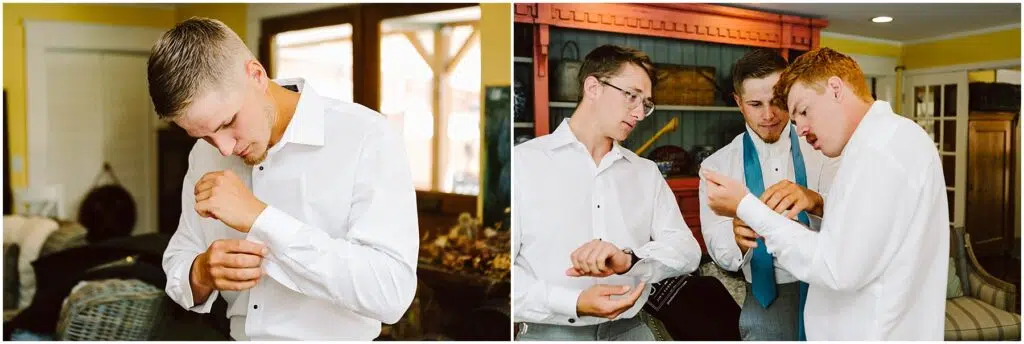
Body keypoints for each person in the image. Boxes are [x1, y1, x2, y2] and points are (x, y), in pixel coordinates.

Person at [150, 18, 419, 340]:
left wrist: (261, 218)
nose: (223, 148)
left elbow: (391, 294)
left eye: (228, 123)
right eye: (204, 135)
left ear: (256, 75)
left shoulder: (367, 137)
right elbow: (180, 257)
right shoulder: (204, 153)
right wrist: (202, 272)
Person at [703, 47, 949, 340]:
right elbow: (857, 238)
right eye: (756, 104)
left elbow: (836, 266)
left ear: (835, 89)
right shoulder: (875, 144)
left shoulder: (879, 151)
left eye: (803, 111)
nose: (800, 128)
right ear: (739, 103)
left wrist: (748, 207)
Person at [512, 44, 701, 341]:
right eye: (631, 96)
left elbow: (687, 251)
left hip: (633, 332)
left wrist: (630, 259)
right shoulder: (521, 164)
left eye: (646, 104)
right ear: (593, 87)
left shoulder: (646, 173)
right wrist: (573, 303)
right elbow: (500, 278)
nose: (639, 113)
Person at [699, 48, 838, 341]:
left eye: (777, 100)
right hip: (765, 300)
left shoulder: (826, 149)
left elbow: (853, 224)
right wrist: (736, 241)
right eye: (755, 104)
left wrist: (816, 202)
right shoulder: (716, 167)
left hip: (830, 292)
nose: (769, 115)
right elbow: (719, 250)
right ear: (738, 102)